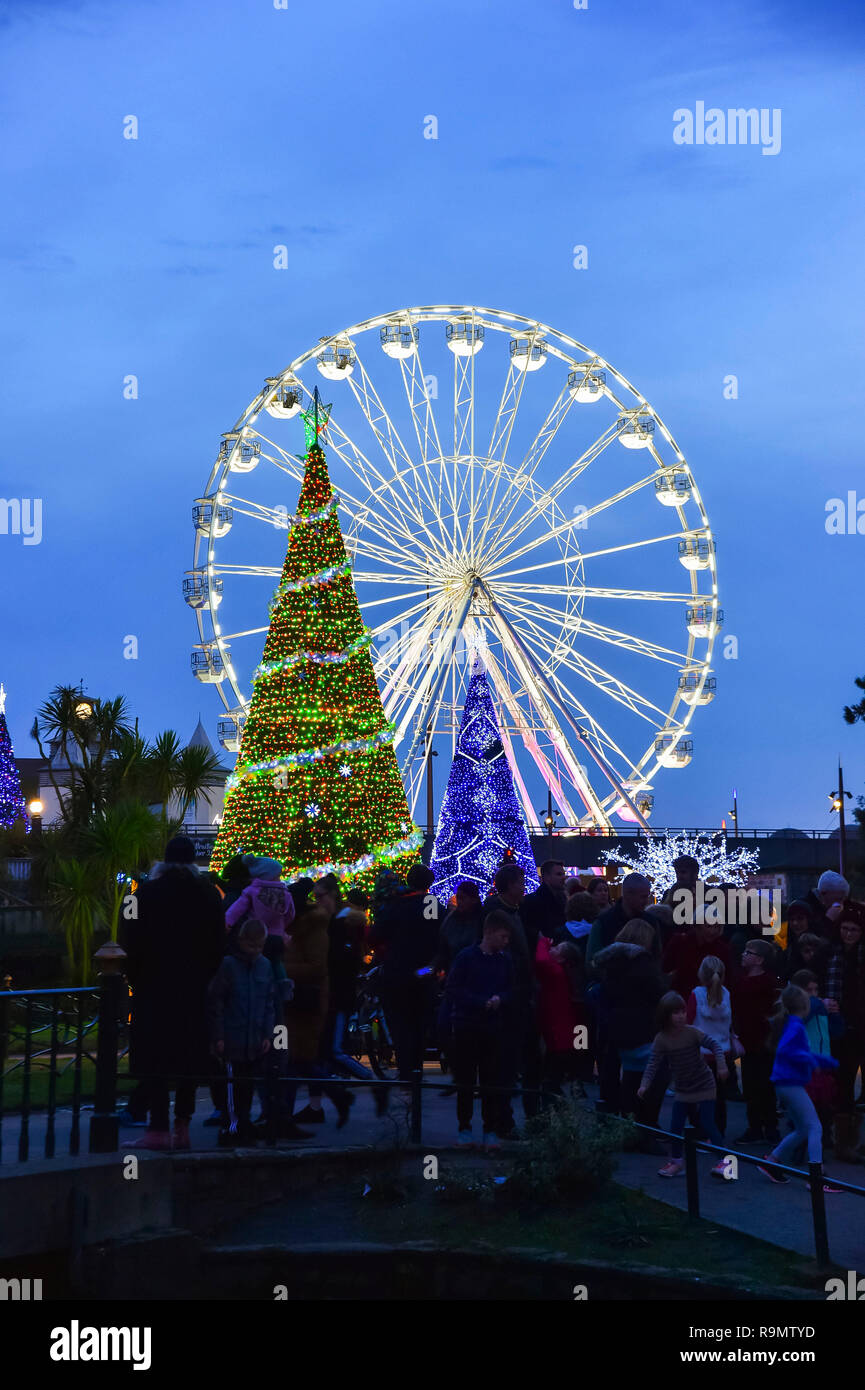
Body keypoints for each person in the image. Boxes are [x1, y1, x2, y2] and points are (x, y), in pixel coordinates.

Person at [123, 836, 226, 1151]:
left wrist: (135, 976)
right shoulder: (209, 894)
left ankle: (157, 1128)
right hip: (194, 988)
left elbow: (128, 940)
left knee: (155, 1057)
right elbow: (218, 944)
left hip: (154, 986)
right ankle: (183, 1124)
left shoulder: (143, 895)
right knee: (189, 1058)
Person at [757, 984, 840, 1191]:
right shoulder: (796, 1026)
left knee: (803, 1129)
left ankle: (772, 1162)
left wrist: (820, 1059)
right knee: (815, 1127)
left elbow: (793, 1051)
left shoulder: (792, 1024)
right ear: (805, 1006)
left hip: (785, 1084)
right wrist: (813, 1060)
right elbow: (787, 1051)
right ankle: (817, 1176)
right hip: (790, 1084)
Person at [638, 991, 729, 1179]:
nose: (680, 1016)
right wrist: (644, 1085)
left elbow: (715, 1046)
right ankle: (677, 1162)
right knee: (676, 1126)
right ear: (665, 1015)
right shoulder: (661, 1039)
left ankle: (726, 1163)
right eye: (675, 1013)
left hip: (704, 1084)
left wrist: (721, 1065)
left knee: (708, 1123)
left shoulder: (692, 1032)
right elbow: (653, 1063)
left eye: (682, 1012)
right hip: (683, 1088)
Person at [445, 911, 514, 1149]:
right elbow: (453, 988)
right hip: (468, 1024)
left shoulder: (503, 960)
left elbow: (510, 988)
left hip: (487, 1025)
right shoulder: (467, 958)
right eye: (503, 936)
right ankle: (467, 1127)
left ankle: (486, 1128)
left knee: (489, 1079)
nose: (506, 942)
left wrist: (500, 999)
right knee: (468, 1079)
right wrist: (484, 1001)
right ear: (489, 933)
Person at [593, 920, 668, 1138]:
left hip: (616, 1025)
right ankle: (645, 1126)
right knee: (652, 1076)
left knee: (626, 1075)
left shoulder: (611, 961)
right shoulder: (642, 962)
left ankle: (626, 1124)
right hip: (642, 1025)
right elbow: (657, 992)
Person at [368, 863, 439, 1091]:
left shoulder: (396, 904)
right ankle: (416, 1071)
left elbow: (378, 933)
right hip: (424, 972)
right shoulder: (430, 903)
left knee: (400, 1023)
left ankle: (406, 1071)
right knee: (419, 1022)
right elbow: (436, 932)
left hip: (397, 971)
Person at [284, 904, 353, 1128]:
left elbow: (316, 967)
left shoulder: (312, 932)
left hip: (305, 1002)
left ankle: (282, 1119)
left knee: (295, 1058)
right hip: (303, 1001)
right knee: (299, 1059)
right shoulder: (305, 931)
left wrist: (282, 967)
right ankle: (336, 1096)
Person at [483, 863, 540, 1128]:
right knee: (507, 1061)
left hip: (519, 994)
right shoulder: (500, 914)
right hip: (509, 996)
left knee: (524, 1058)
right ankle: (504, 1121)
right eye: (519, 882)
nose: (524, 885)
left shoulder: (516, 911)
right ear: (508, 886)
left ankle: (525, 1115)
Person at [208, 920, 275, 1143]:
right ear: (241, 942)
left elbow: (269, 1003)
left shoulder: (263, 965)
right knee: (232, 1085)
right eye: (251, 946)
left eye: (259, 947)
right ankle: (232, 1125)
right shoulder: (229, 965)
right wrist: (218, 1035)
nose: (254, 951)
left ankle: (241, 1122)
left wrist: (267, 1034)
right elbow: (216, 1002)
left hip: (253, 1036)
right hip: (232, 1035)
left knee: (245, 1085)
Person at [824, 903, 865, 1162]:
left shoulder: (860, 956)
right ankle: (843, 1141)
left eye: (854, 930)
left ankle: (850, 1140)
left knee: (848, 1081)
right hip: (839, 1025)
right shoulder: (831, 953)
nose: (848, 934)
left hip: (859, 1023)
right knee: (842, 1082)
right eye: (845, 928)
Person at [731, 939, 780, 1144]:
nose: (743, 955)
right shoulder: (740, 980)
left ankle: (770, 1127)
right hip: (746, 1038)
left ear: (759, 959)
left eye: (748, 952)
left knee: (766, 1085)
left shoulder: (768, 983)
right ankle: (755, 1127)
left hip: (764, 1040)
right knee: (750, 1085)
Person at [686, 955, 735, 1136]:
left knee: (698, 1096)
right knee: (719, 1097)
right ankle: (717, 1133)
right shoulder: (727, 994)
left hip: (701, 1053)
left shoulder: (696, 994)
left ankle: (700, 1133)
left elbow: (688, 1022)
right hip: (723, 1052)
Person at [790, 968, 838, 1148]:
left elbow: (836, 1031)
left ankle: (822, 1141)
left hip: (822, 1066)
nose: (814, 995)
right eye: (809, 991)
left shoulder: (819, 1009)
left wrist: (835, 1014)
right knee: (805, 1110)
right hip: (805, 1066)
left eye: (816, 990)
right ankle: (802, 1147)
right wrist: (818, 1004)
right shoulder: (795, 1009)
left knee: (824, 1107)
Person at [534, 933, 584, 1098]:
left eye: (557, 949)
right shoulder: (566, 975)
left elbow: (541, 960)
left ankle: (556, 1110)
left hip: (558, 1034)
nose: (552, 949)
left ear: (562, 959)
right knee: (556, 1074)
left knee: (552, 1078)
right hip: (566, 1033)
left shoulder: (556, 972)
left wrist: (544, 941)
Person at [225, 856, 295, 956]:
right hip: (277, 936)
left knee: (257, 961)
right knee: (276, 963)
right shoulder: (286, 894)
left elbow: (236, 909)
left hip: (256, 935)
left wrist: (228, 922)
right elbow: (290, 914)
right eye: (277, 876)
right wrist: (282, 925)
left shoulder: (251, 891)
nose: (279, 879)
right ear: (269, 876)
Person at [585, 874, 653, 965]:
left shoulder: (651, 921)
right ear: (628, 894)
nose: (646, 901)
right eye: (643, 897)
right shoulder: (603, 922)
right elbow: (591, 962)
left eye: (605, 890)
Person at [662, 916, 732, 998]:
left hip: (709, 1000)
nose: (713, 931)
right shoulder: (680, 942)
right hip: (681, 998)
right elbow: (666, 967)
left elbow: (728, 978)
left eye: (717, 927)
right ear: (697, 926)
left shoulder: (722, 949)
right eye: (709, 926)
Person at [433, 880, 485, 975]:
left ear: (474, 899)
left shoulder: (483, 920)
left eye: (462, 898)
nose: (459, 902)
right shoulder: (451, 920)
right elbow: (443, 951)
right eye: (458, 898)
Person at [520, 859, 567, 946]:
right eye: (559, 874)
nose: (564, 877)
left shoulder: (562, 899)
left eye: (563, 874)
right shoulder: (532, 901)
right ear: (546, 877)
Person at [777, 901, 815, 982]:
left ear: (809, 920)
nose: (795, 923)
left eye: (800, 918)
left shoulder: (817, 945)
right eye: (791, 919)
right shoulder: (788, 948)